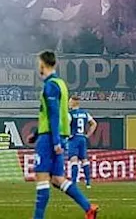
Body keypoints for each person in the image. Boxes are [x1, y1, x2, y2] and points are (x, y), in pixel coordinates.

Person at [32, 51, 98, 219]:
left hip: (50, 138)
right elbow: (55, 114)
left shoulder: (50, 86)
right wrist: (36, 133)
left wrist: (53, 141)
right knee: (57, 179)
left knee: (42, 178)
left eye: (38, 63)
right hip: (59, 135)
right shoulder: (61, 84)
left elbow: (54, 114)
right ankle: (88, 208)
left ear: (42, 65)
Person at [67, 96, 95, 189]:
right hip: (82, 138)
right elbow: (94, 124)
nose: (68, 103)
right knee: (84, 160)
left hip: (74, 138)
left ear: (74, 103)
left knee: (74, 160)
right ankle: (88, 183)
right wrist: (88, 135)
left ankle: (74, 182)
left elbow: (66, 125)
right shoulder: (85, 113)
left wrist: (68, 135)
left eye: (70, 102)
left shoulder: (70, 114)